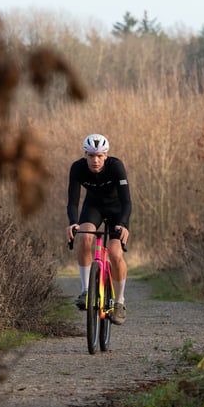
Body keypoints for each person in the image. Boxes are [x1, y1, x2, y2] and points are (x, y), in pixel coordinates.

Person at [66, 133, 132, 325]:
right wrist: (72, 222)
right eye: (91, 156)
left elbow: (127, 201)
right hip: (93, 207)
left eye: (100, 156)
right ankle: (86, 291)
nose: (95, 160)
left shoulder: (116, 166)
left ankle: (119, 302)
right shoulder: (77, 168)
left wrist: (124, 223)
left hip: (117, 210)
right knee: (84, 237)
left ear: (106, 155)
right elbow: (72, 201)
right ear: (85, 155)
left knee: (114, 252)